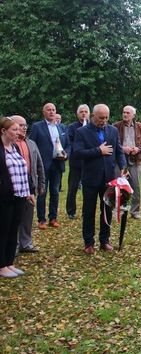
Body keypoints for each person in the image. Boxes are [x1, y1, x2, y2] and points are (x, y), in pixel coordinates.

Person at [73, 104, 126, 254]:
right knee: (89, 211)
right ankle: (88, 242)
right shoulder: (81, 132)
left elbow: (119, 151)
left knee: (107, 211)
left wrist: (122, 166)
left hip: (109, 178)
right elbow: (77, 153)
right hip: (91, 178)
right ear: (93, 116)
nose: (104, 120)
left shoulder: (112, 131)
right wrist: (98, 151)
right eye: (101, 118)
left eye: (106, 118)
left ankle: (105, 240)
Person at [0, 117, 34, 278]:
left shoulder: (15, 148)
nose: (18, 132)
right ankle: (1, 265)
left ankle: (9, 262)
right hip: (5, 197)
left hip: (20, 194)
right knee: (3, 230)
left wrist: (29, 191)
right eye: (14, 130)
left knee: (14, 229)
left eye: (19, 129)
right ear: (3, 131)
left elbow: (23, 170)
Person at [28, 102, 70, 229]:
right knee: (42, 192)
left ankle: (53, 218)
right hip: (43, 165)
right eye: (49, 110)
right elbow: (32, 144)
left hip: (58, 164)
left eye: (53, 109)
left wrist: (66, 155)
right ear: (44, 112)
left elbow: (68, 145)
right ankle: (42, 219)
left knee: (55, 192)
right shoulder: (37, 127)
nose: (52, 112)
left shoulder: (62, 128)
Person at [11, 115, 45, 253]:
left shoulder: (31, 143)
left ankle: (26, 243)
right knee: (13, 217)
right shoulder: (8, 144)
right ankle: (14, 245)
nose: (24, 127)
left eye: (25, 125)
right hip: (14, 187)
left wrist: (41, 183)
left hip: (30, 186)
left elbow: (39, 165)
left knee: (27, 216)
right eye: (20, 125)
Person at [113, 105, 141, 220]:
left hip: (135, 160)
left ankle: (135, 211)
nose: (125, 114)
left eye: (128, 113)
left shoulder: (139, 127)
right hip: (120, 160)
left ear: (133, 115)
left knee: (136, 186)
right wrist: (123, 149)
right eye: (124, 112)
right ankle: (118, 210)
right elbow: (112, 142)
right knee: (118, 186)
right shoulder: (116, 126)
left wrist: (138, 149)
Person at [66, 104, 89, 219]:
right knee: (73, 187)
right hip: (76, 162)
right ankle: (71, 211)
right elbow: (69, 142)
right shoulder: (72, 127)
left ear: (89, 114)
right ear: (77, 114)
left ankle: (87, 210)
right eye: (81, 111)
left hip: (89, 163)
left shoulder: (92, 126)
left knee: (88, 188)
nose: (83, 113)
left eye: (86, 111)